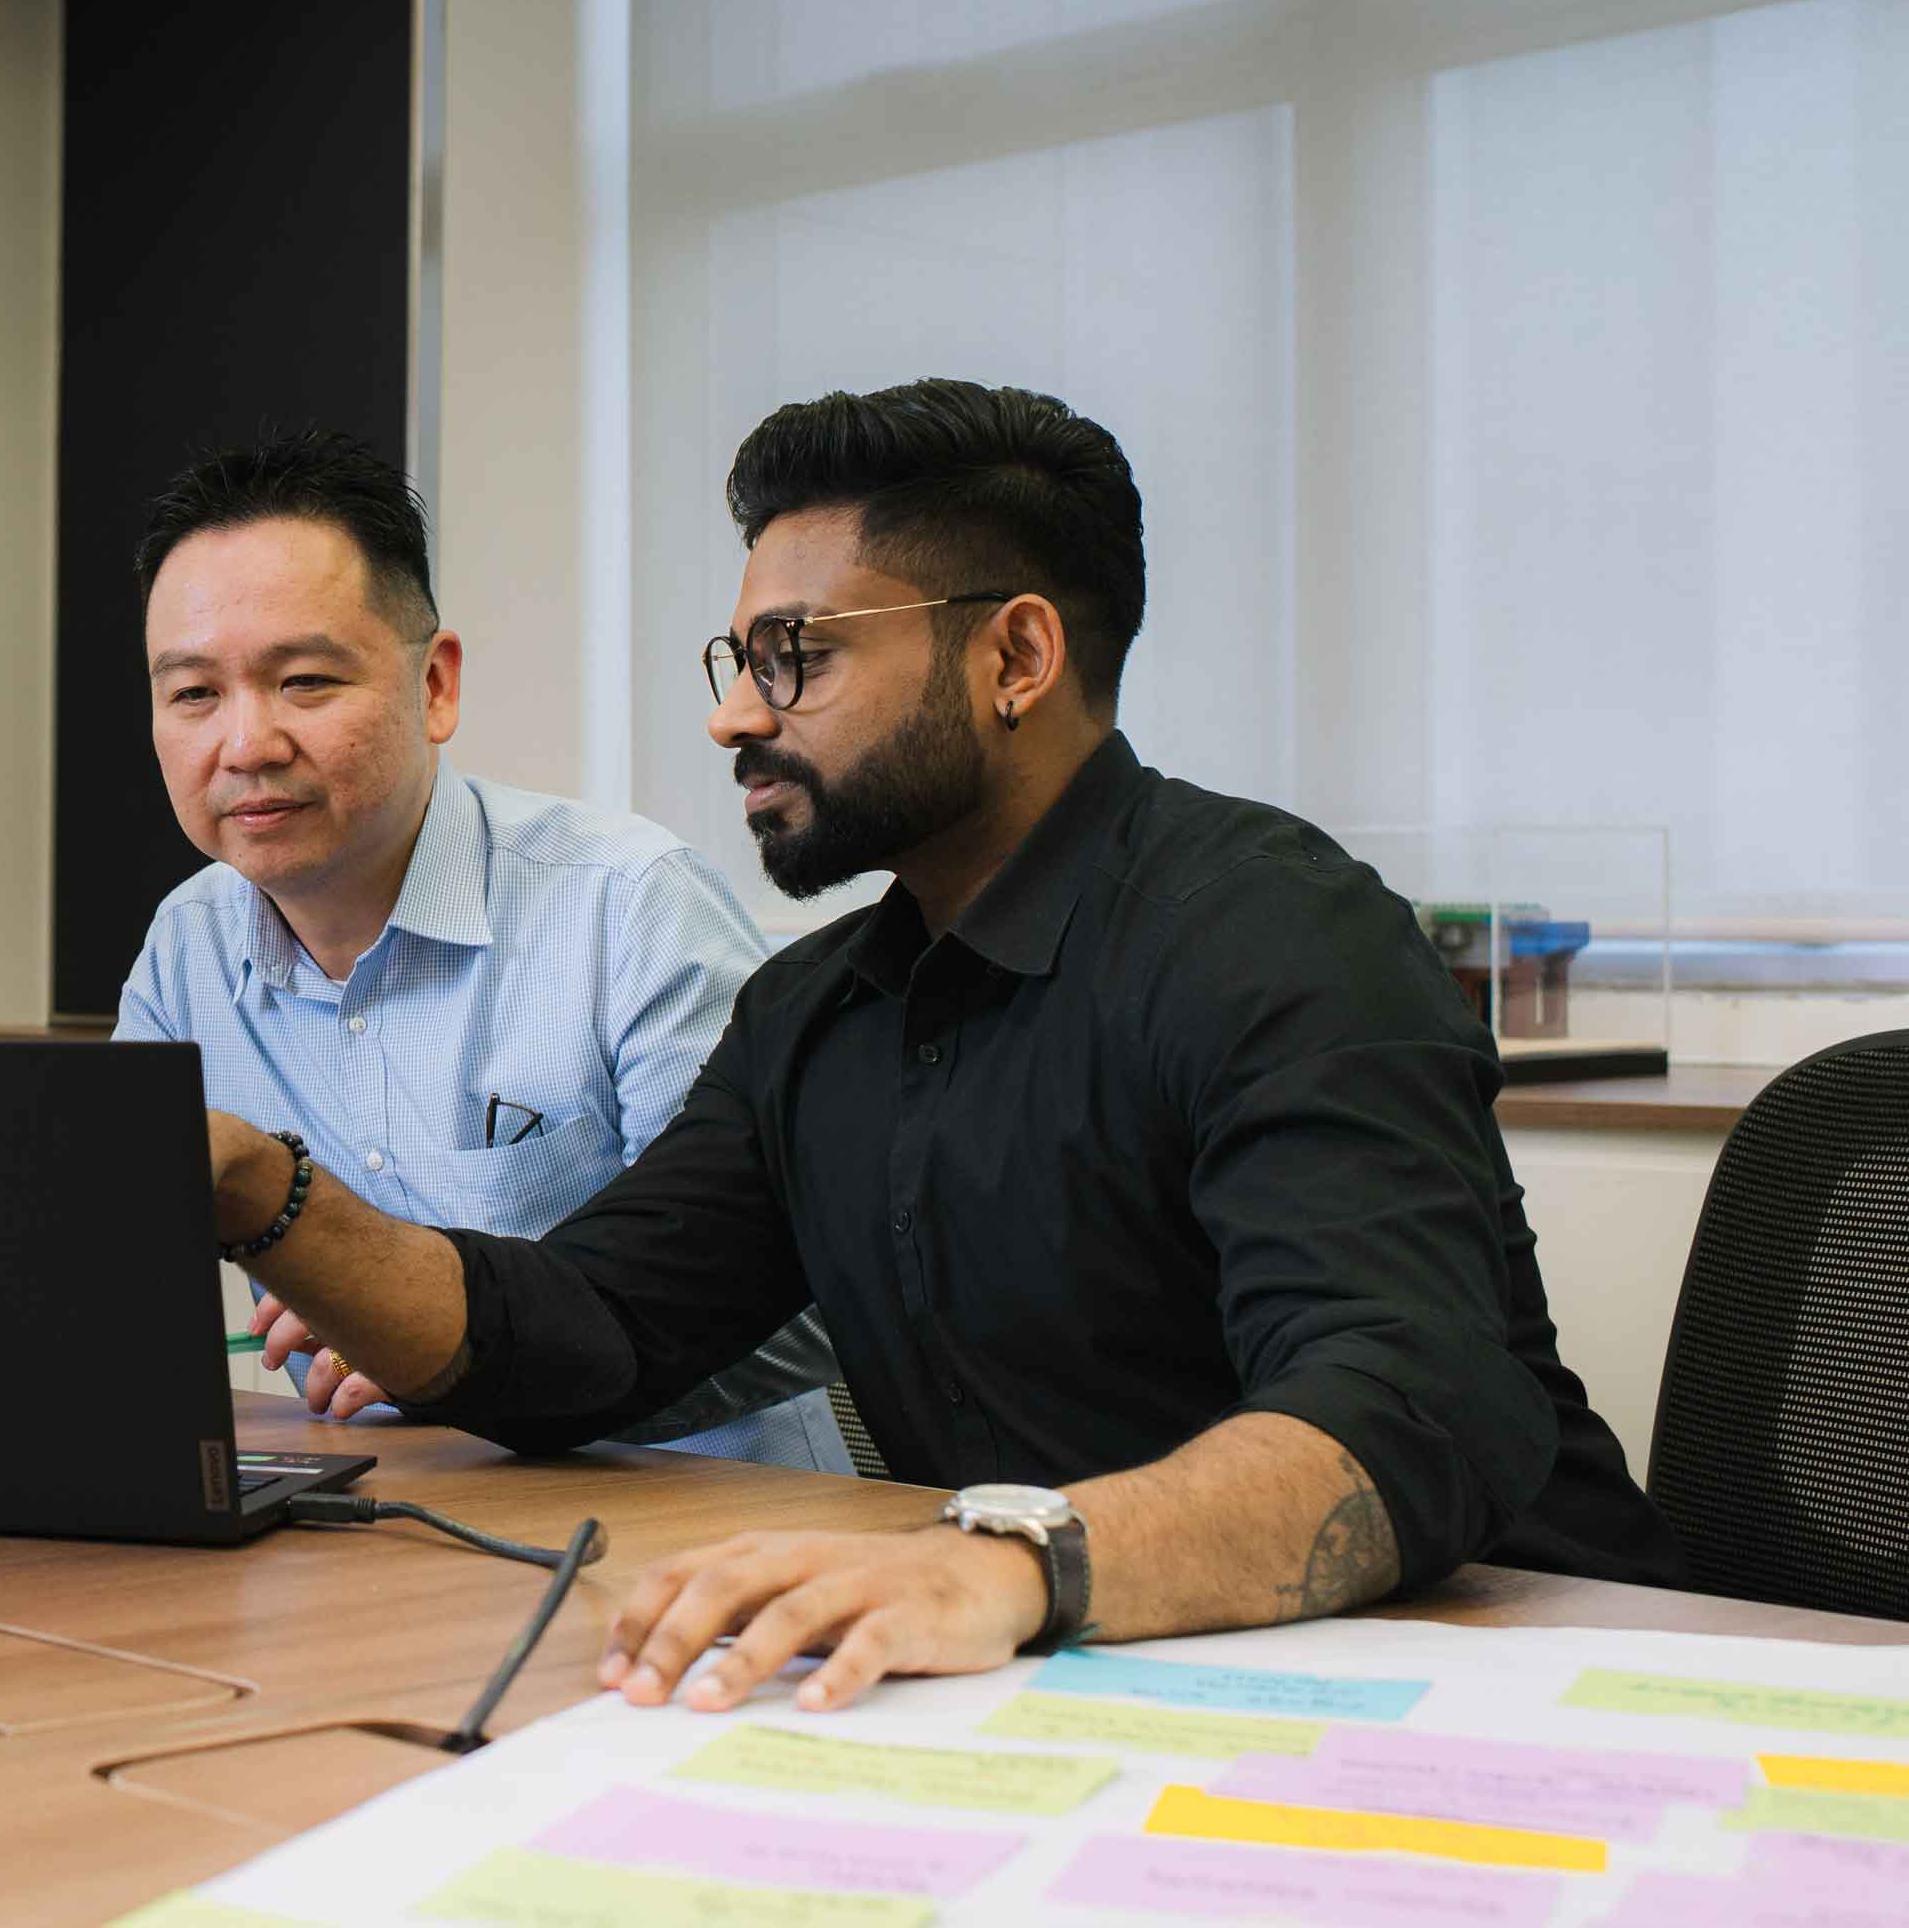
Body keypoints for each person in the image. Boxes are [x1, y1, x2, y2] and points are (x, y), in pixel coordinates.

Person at [213, 381, 1675, 1711]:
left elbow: (1404, 1405)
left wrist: (1002, 1560)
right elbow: (590, 1332)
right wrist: (261, 1189)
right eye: (739, 657)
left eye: (795, 655)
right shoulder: (819, 1010)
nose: (734, 715)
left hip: (1533, 1676)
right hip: (1093, 1681)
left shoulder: (1281, 934)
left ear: (1015, 654)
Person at [126, 430, 846, 1470]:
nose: (246, 744)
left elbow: (810, 1310)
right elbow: (104, 1278)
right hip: (389, 1520)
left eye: (306, 681)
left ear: (435, 686)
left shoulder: (629, 908)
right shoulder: (185, 950)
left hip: (700, 1516)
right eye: (194, 693)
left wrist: (455, 1349)